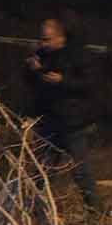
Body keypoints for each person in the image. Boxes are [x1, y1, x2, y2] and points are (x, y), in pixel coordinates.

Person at [24, 15, 101, 212]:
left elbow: (89, 84)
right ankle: (35, 211)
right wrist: (34, 70)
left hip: (72, 121)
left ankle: (95, 210)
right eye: (42, 39)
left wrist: (63, 81)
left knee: (80, 170)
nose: (43, 43)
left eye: (47, 39)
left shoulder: (79, 56)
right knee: (43, 170)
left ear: (60, 38)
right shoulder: (42, 55)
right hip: (49, 120)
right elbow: (34, 86)